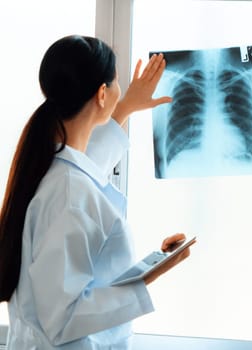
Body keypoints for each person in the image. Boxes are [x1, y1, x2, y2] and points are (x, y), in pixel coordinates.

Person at [0, 35, 195, 349]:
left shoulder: (49, 167)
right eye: (116, 83)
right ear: (102, 94)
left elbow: (88, 166)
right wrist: (148, 278)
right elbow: (60, 320)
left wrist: (127, 106)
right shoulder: (68, 190)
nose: (120, 90)